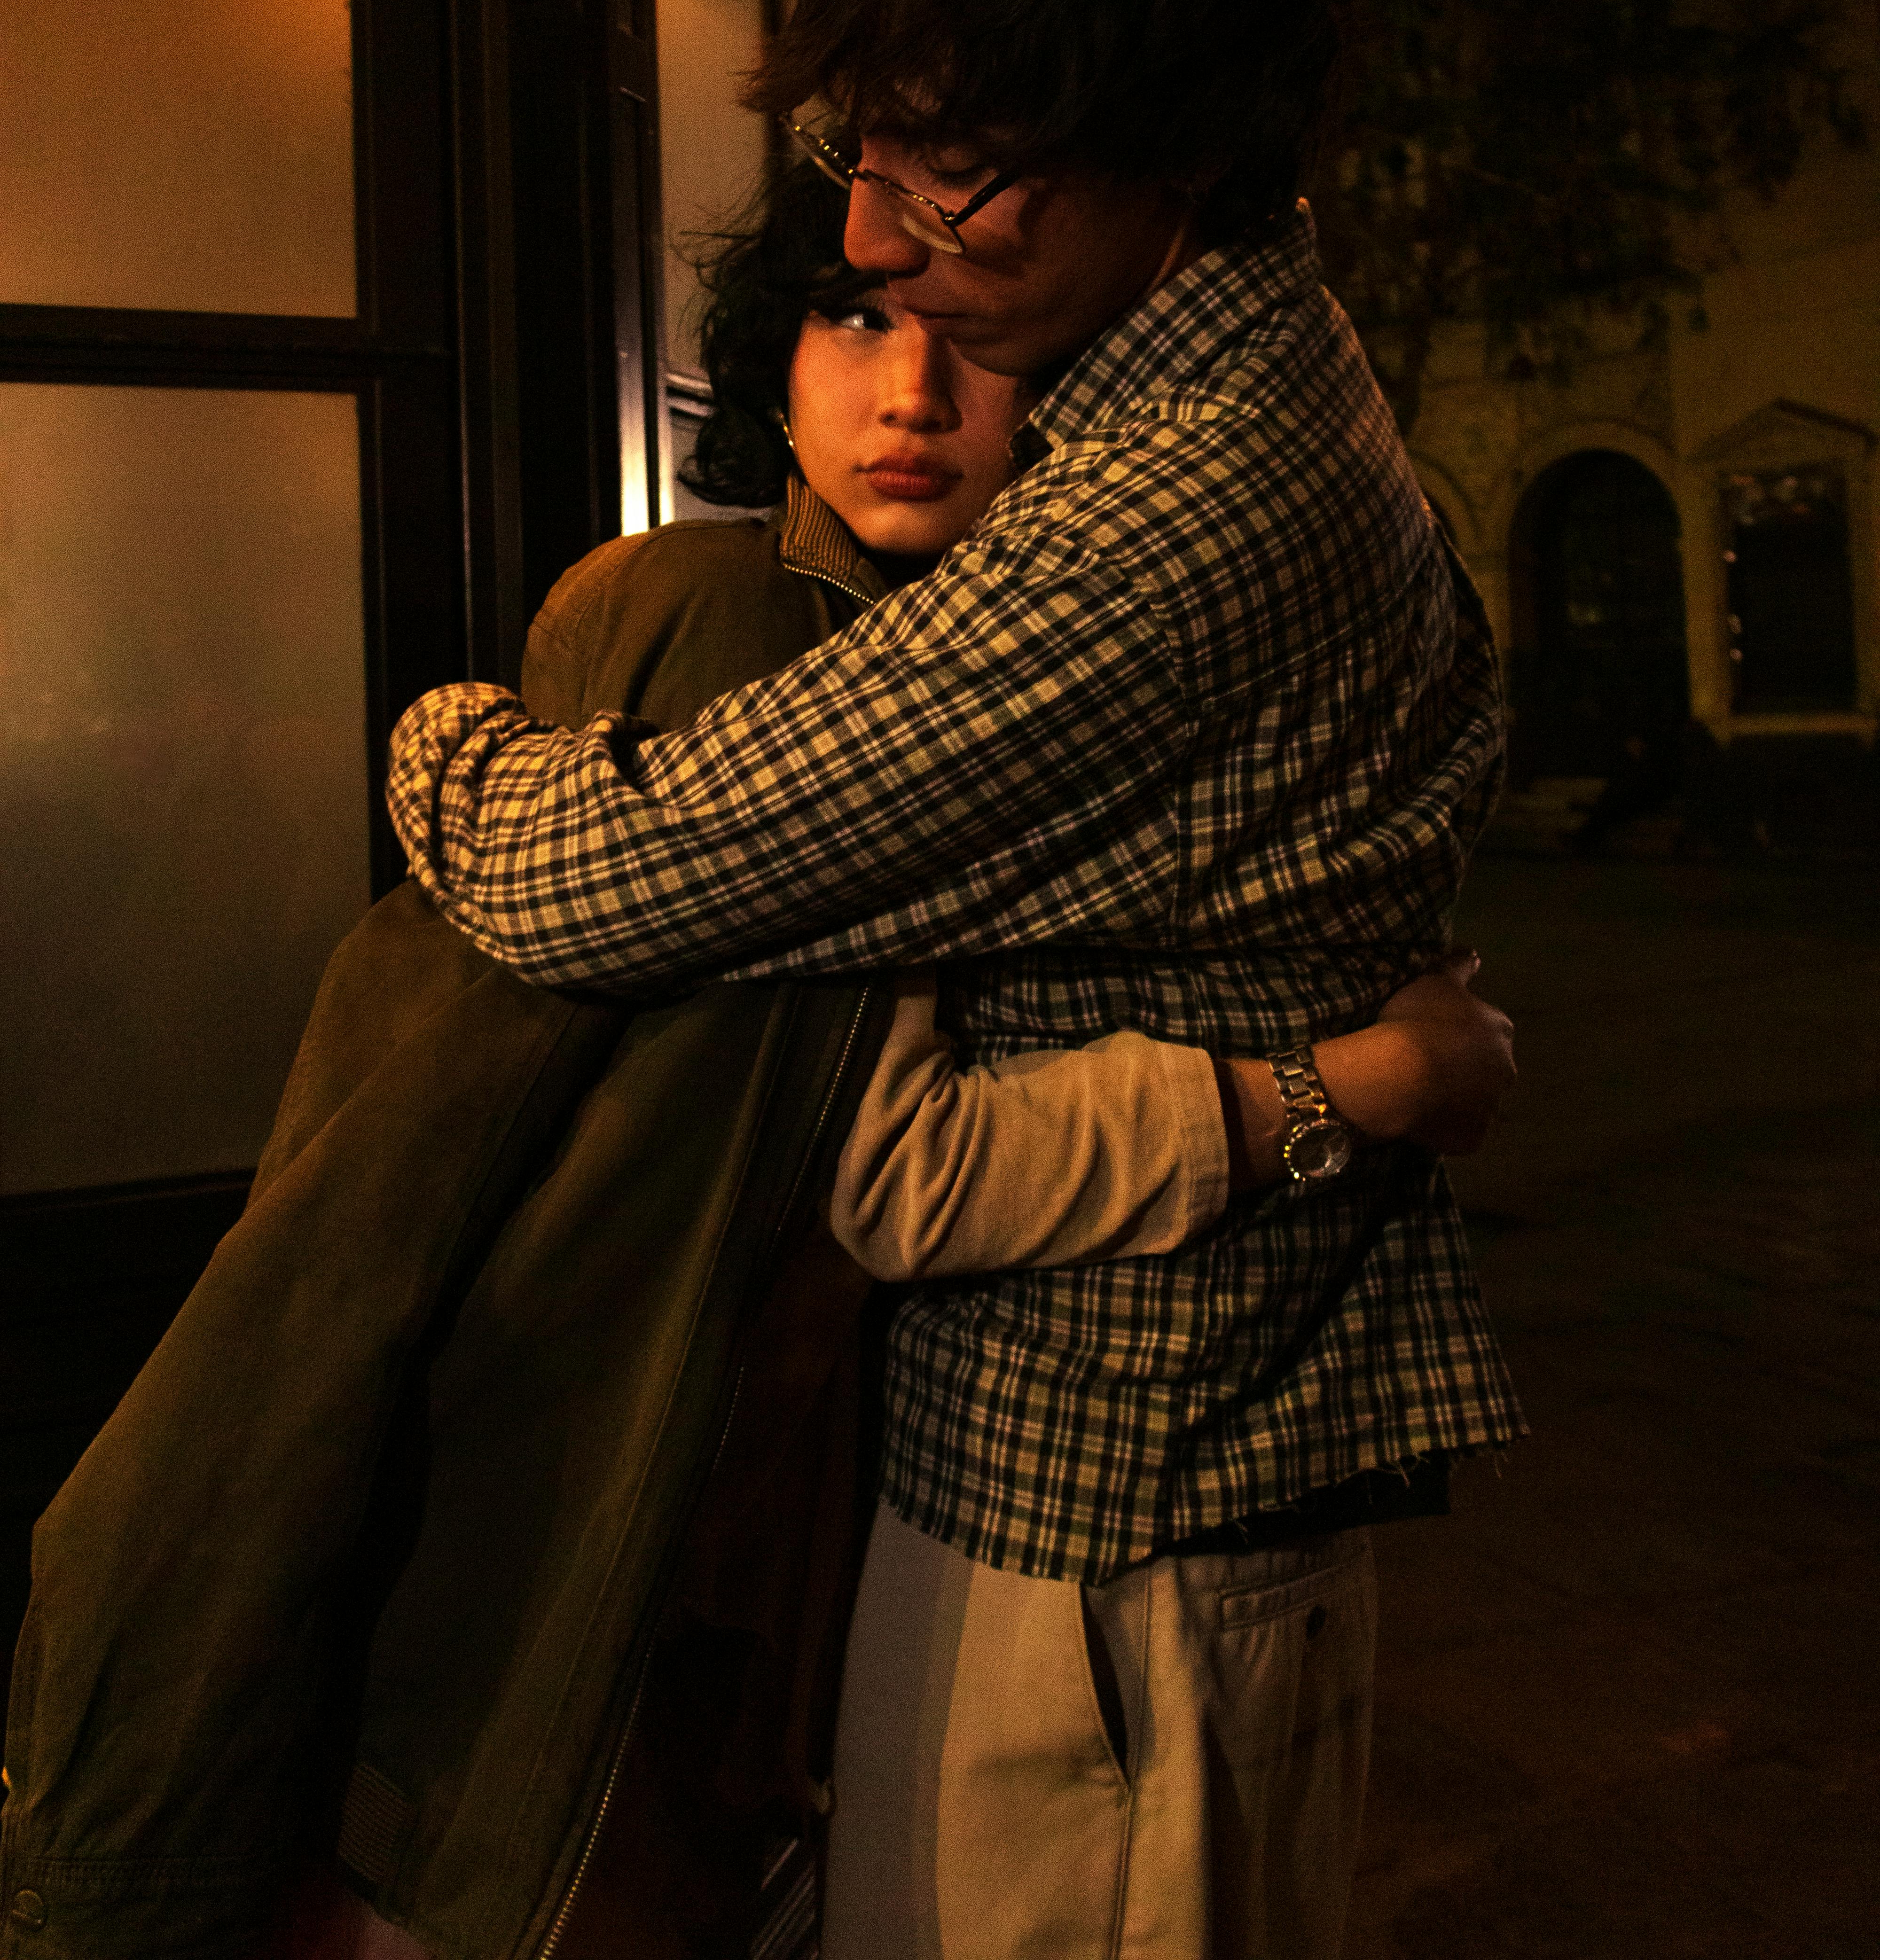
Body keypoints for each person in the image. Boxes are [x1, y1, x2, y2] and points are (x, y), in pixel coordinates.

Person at [0, 157, 1510, 1960]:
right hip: (595, 1539)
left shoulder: (964, 645)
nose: (911, 393)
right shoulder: (732, 625)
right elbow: (888, 1168)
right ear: (765, 360)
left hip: (746, 1551)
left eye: (966, 339)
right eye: (852, 319)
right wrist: (1347, 1093)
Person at [380, 0, 1526, 1960]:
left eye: (959, 168)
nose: (889, 250)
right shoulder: (1176, 375)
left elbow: (599, 877)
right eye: (862, 161)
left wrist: (432, 736)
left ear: (1172, 137)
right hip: (1085, 1490)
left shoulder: (1174, 508)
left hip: (1117, 1537)